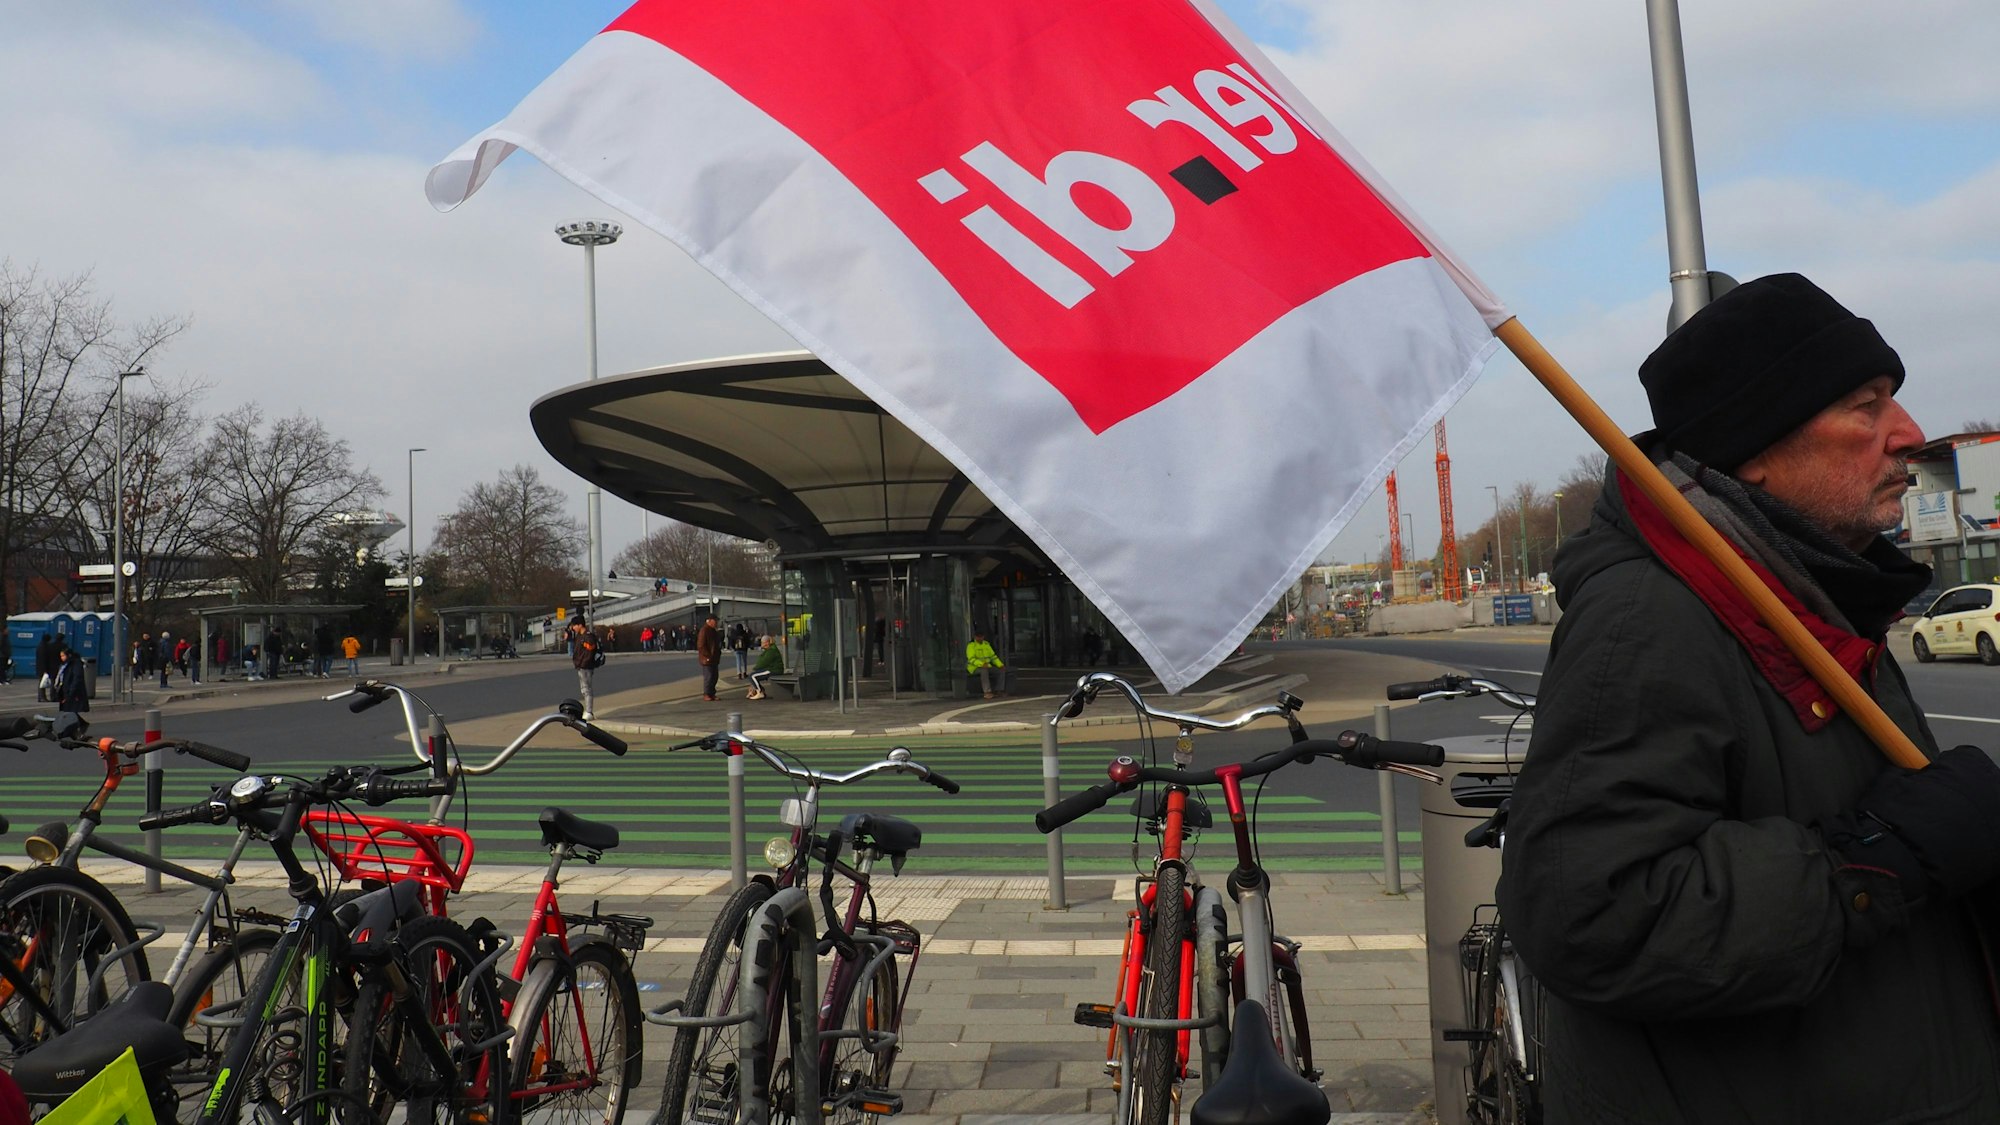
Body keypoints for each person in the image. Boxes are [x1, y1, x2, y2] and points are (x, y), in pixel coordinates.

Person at [1496, 273, 2000, 1122]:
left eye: (1896, 400)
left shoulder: (1811, 592)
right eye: (1864, 406)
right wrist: (1876, 861)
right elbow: (1590, 912)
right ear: (1754, 450)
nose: (1907, 434)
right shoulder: (1652, 614)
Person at [569, 621, 603, 720]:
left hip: (586, 666)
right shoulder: (580, 636)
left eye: (574, 625)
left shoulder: (588, 637)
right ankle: (588, 710)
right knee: (584, 689)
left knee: (587, 689)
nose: (573, 627)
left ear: (580, 625)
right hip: (581, 666)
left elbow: (590, 650)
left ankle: (589, 711)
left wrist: (583, 662)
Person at [965, 630, 1005, 699]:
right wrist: (981, 664)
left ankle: (999, 690)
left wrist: (1000, 665)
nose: (980, 638)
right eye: (978, 637)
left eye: (981, 637)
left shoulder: (986, 644)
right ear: (975, 637)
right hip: (974, 667)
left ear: (983, 637)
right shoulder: (971, 645)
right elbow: (971, 659)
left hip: (987, 666)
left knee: (1000, 670)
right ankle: (987, 692)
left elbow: (993, 657)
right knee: (984, 671)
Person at [53, 644, 88, 719]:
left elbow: (77, 678)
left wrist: (71, 692)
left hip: (73, 692)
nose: (62, 658)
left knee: (72, 712)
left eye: (63, 656)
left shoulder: (76, 663)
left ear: (69, 655)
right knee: (68, 711)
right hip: (65, 691)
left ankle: (78, 726)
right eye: (61, 656)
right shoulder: (64, 665)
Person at [747, 634, 784, 699]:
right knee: (753, 675)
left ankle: (760, 692)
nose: (761, 644)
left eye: (762, 642)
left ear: (766, 643)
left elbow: (763, 663)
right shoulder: (770, 650)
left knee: (752, 676)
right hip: (772, 669)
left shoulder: (771, 651)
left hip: (774, 670)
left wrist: (755, 669)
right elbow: (762, 662)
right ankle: (759, 691)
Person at [696, 614, 722, 701]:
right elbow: (701, 645)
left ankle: (712, 693)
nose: (716, 622)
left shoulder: (713, 631)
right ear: (709, 621)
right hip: (707, 659)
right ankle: (707, 693)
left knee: (714, 676)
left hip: (714, 658)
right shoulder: (704, 630)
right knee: (709, 676)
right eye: (715, 621)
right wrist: (708, 655)